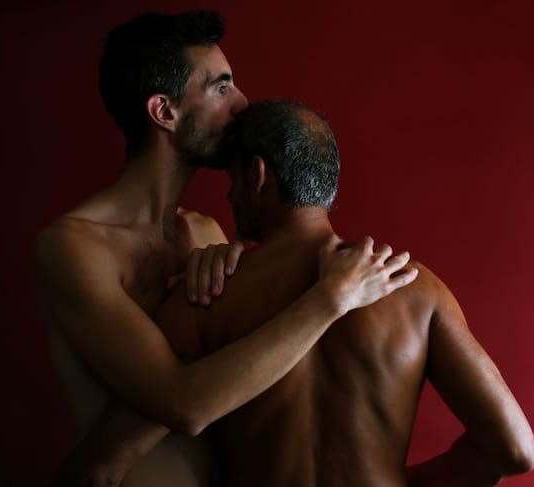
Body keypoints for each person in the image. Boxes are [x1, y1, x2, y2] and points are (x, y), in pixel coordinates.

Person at [36, 11, 417, 487]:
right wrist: (330, 300)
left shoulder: (206, 234)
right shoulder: (74, 246)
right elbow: (184, 405)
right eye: (220, 88)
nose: (241, 104)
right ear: (164, 112)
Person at [152, 100, 534, 486]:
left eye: (232, 180)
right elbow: (516, 449)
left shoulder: (204, 294)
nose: (229, 197)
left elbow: (139, 443)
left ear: (257, 174)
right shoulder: (413, 288)